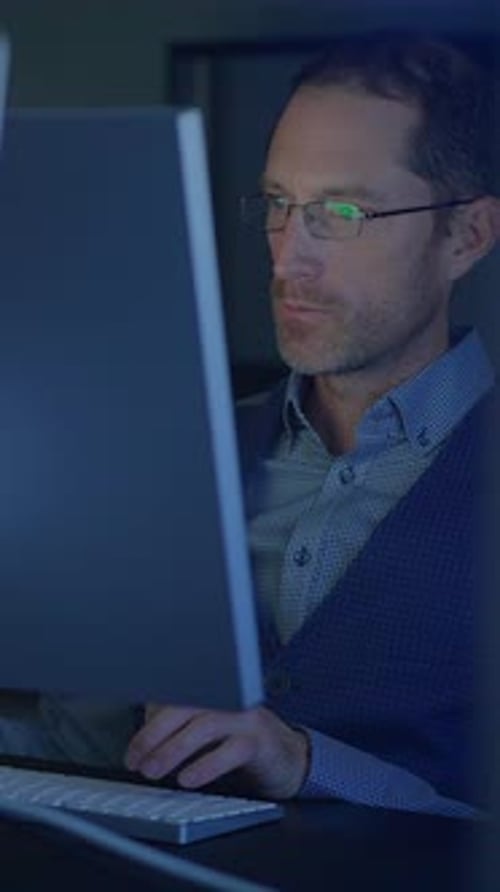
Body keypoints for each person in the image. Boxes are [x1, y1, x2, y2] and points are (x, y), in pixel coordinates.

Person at [0, 32, 498, 817]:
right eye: (278, 204)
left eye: (342, 211)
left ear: (467, 236)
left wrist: (304, 765)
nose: (288, 259)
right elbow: (81, 750)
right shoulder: (176, 460)